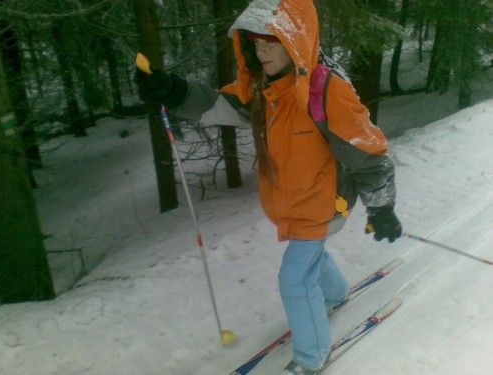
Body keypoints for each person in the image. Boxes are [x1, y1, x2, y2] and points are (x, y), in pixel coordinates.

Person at [135, 0, 402, 373]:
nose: (261, 50)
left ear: (295, 39)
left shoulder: (325, 91)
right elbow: (218, 105)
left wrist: (381, 207)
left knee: (293, 280)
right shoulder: (263, 89)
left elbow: (369, 154)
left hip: (325, 203)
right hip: (295, 204)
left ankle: (311, 358)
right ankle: (336, 293)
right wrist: (172, 91)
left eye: (271, 40)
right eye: (255, 42)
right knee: (309, 256)